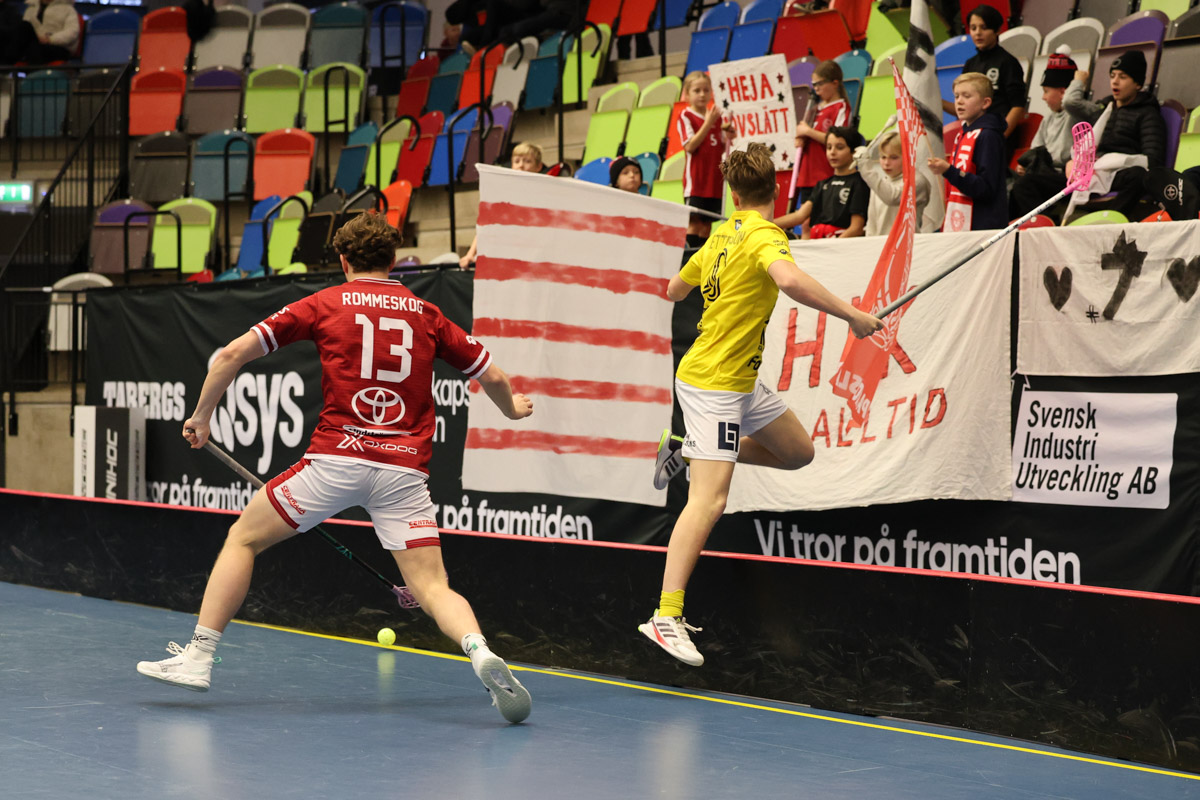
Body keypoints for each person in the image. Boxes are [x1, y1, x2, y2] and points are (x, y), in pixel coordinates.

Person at [136, 213, 535, 724]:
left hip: (336, 463)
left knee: (243, 539)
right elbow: (494, 377)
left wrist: (201, 416)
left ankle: (198, 657)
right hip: (404, 473)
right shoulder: (428, 314)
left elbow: (231, 354)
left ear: (344, 261)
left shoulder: (324, 303)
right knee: (433, 588)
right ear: (393, 260)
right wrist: (512, 409)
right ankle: (480, 650)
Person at [644, 142, 883, 667]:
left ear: (732, 194)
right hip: (715, 384)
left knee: (798, 452)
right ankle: (665, 615)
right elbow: (790, 280)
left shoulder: (721, 234)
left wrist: (710, 282)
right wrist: (853, 316)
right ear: (775, 189)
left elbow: (673, 290)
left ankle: (686, 446)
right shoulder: (763, 234)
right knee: (709, 501)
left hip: (738, 380)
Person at [1063, 51, 1167, 220]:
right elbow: (1084, 144)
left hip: (1120, 172)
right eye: (1112, 76)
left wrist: (1116, 161)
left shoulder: (1148, 114)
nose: (1115, 81)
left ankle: (1109, 222)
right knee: (1032, 181)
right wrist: (1071, 161)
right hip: (1091, 170)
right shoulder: (1103, 109)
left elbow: (1153, 160)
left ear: (1138, 84)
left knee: (1139, 176)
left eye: (1123, 77)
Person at [929, 72, 1007, 231]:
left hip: (984, 226)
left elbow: (986, 188)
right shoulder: (964, 133)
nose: (959, 101)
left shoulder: (988, 136)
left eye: (966, 96)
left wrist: (949, 171)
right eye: (956, 96)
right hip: (964, 223)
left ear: (985, 103)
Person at [1009, 48, 1081, 220]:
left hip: (1066, 176)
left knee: (1024, 185)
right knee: (1008, 183)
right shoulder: (1048, 118)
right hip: (1045, 174)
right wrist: (1026, 165)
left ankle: (1046, 224)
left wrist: (1078, 82)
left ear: (1063, 92)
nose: (1043, 97)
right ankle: (1013, 229)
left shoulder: (1077, 114)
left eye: (1046, 91)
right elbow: (1036, 150)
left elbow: (1072, 102)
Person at [943, 4, 1025, 139]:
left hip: (997, 137)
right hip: (973, 137)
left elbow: (1018, 106)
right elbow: (964, 108)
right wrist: (937, 101)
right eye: (973, 28)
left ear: (997, 30)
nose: (978, 33)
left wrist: (999, 137)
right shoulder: (970, 64)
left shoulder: (1008, 62)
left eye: (984, 27)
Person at [773, 126, 869, 239]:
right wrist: (766, 224)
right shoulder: (823, 184)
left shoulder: (860, 183)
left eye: (840, 147)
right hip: (819, 242)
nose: (832, 152)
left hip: (841, 245)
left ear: (854, 151)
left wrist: (833, 245)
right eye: (829, 147)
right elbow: (800, 216)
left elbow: (856, 228)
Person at [459, 142, 546, 268]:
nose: (521, 165)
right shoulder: (502, 195)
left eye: (527, 161)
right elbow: (486, 225)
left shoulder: (544, 194)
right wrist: (470, 254)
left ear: (538, 167)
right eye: (517, 161)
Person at [792, 60, 853, 237]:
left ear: (835, 83)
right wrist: (801, 138)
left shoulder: (840, 107)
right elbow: (807, 137)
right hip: (807, 174)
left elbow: (838, 139)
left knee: (819, 224)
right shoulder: (814, 109)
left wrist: (808, 132)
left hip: (824, 173)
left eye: (820, 84)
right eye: (814, 84)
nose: (816, 89)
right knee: (805, 223)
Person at [677, 71, 736, 247]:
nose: (702, 94)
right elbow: (690, 146)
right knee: (695, 223)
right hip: (697, 180)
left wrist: (729, 136)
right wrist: (708, 123)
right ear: (687, 94)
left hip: (714, 179)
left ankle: (702, 258)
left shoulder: (716, 118)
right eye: (697, 91)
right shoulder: (686, 116)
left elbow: (719, 145)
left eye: (706, 90)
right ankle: (689, 258)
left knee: (706, 225)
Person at [855, 129, 931, 237]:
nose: (886, 163)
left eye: (894, 157)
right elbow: (872, 224)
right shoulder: (880, 183)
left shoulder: (917, 181)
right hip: (880, 245)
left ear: (907, 157)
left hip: (906, 244)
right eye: (883, 157)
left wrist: (866, 169)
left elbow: (892, 198)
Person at [0, 0, 78, 64]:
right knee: (24, 26)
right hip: (35, 42)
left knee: (33, 48)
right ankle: (6, 63)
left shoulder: (68, 9)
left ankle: (6, 65)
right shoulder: (31, 8)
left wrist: (50, 39)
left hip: (56, 46)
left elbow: (72, 32)